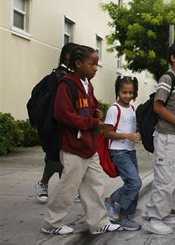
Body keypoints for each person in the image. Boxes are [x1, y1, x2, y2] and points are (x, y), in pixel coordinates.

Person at [42, 45, 121, 235]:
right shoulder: (66, 84)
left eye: (97, 64)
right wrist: (92, 122)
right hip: (73, 146)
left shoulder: (87, 84)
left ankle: (98, 223)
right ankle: (52, 224)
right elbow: (63, 114)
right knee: (67, 188)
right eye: (92, 63)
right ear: (78, 63)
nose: (95, 68)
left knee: (95, 185)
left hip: (88, 145)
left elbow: (90, 105)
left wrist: (96, 111)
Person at [142, 43, 175, 235]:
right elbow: (158, 107)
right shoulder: (168, 77)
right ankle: (153, 218)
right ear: (173, 58)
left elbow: (174, 108)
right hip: (166, 138)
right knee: (165, 179)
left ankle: (171, 214)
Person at [34, 42, 78, 204]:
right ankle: (43, 184)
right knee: (54, 158)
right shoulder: (58, 77)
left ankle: (69, 189)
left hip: (72, 125)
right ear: (67, 55)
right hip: (57, 126)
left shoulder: (77, 77)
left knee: (70, 160)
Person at [103, 76, 142, 231]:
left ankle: (124, 217)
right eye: (124, 92)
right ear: (118, 91)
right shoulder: (114, 109)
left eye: (131, 92)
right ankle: (111, 200)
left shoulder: (132, 109)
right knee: (135, 183)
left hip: (130, 150)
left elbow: (131, 128)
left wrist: (137, 132)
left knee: (134, 184)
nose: (127, 95)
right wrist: (128, 136)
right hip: (119, 151)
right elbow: (107, 133)